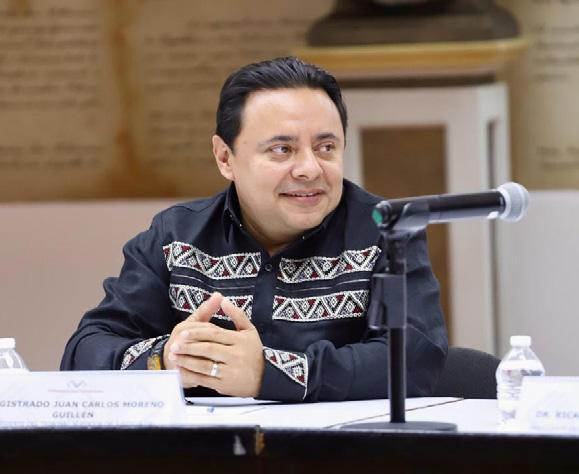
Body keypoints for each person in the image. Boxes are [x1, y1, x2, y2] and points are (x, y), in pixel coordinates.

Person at [61, 56, 447, 402]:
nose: (309, 169)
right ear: (225, 158)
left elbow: (417, 359)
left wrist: (270, 373)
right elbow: (83, 353)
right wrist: (166, 359)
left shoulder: (385, 233)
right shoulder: (175, 237)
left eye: (326, 147)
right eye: (282, 149)